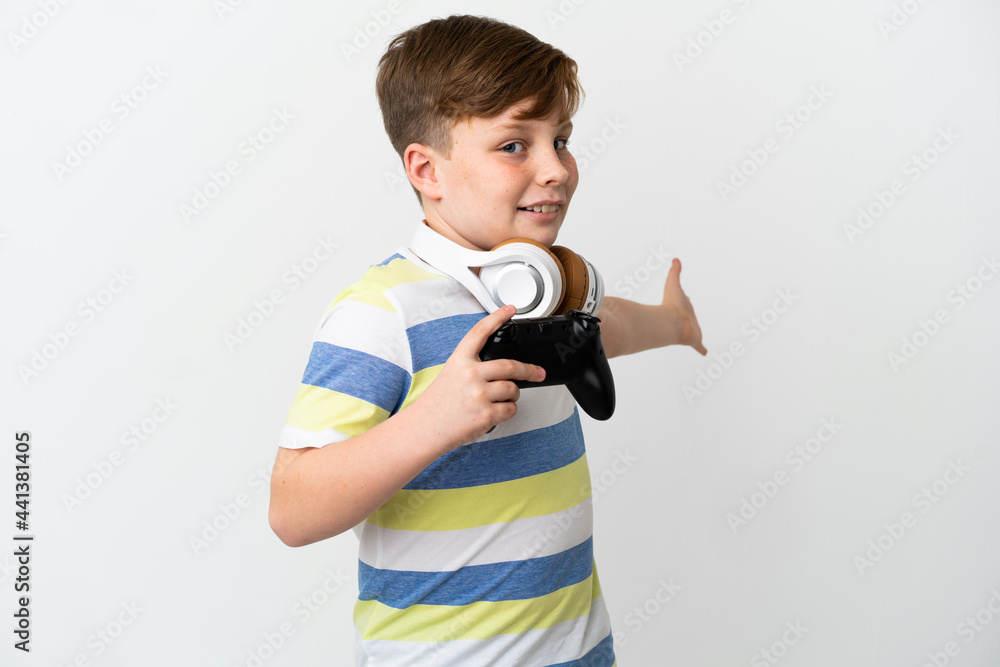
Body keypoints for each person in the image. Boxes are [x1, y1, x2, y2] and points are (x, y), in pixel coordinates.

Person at [268, 14, 707, 666]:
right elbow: (292, 509)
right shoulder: (382, 312)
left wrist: (671, 321)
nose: (555, 169)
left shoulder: (542, 288)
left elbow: (603, 327)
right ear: (427, 169)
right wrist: (432, 422)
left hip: (580, 650)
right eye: (515, 145)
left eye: (561, 140)